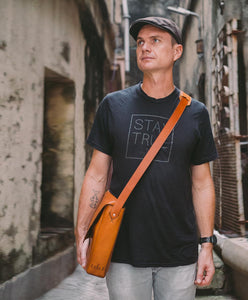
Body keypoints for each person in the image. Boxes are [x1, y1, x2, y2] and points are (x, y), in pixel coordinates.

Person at [75, 16, 218, 300]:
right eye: (140, 42)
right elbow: (96, 173)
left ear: (177, 51)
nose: (144, 48)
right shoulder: (113, 106)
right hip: (123, 247)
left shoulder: (196, 113)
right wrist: (82, 231)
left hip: (179, 249)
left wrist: (206, 246)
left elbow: (201, 183)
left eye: (155, 41)